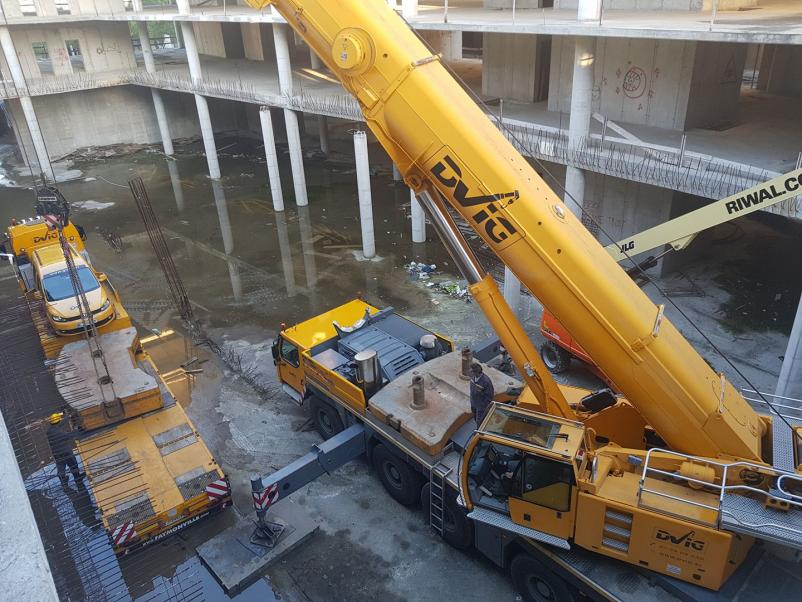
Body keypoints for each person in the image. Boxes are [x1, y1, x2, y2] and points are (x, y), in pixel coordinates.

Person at [46, 412, 84, 487]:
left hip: (57, 453)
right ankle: (77, 478)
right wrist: (77, 430)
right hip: (65, 452)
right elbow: (69, 436)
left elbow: (60, 423)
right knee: (73, 465)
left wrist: (69, 416)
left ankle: (63, 480)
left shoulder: (50, 430)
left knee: (61, 466)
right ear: (57, 422)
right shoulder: (58, 433)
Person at [469, 362, 494, 427]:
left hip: (482, 406)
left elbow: (490, 396)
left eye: (471, 371)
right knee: (475, 417)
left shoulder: (486, 381)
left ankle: (478, 432)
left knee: (479, 421)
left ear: (476, 372)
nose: (470, 372)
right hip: (474, 403)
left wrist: (483, 406)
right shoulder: (473, 377)